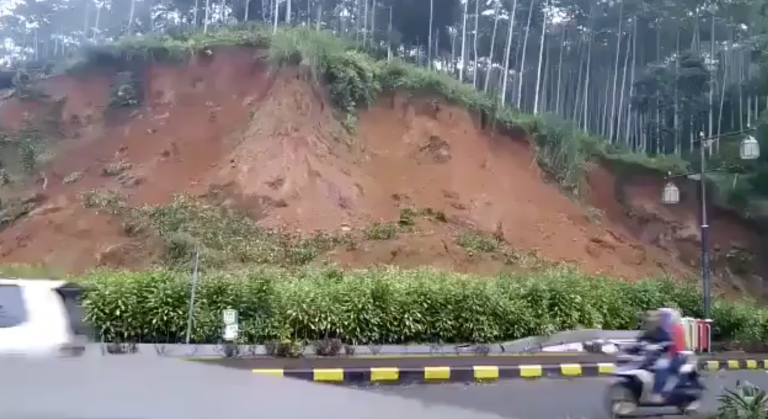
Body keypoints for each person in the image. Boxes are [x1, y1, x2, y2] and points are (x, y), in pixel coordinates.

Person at [644, 307, 686, 403]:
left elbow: (673, 345)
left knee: (661, 366)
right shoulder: (657, 329)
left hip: (675, 355)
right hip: (663, 355)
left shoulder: (674, 328)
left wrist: (661, 347)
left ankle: (657, 392)